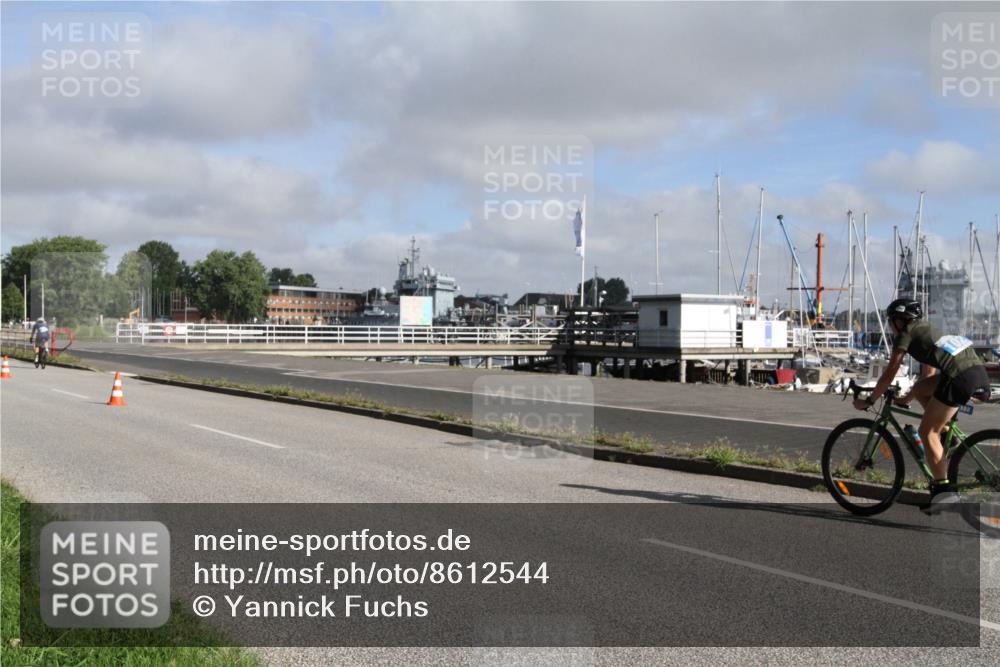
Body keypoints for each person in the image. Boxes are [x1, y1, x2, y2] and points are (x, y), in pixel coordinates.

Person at [854, 298, 991, 513]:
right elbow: (928, 376)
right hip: (976, 374)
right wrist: (906, 398)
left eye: (891, 321)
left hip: (959, 378)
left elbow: (890, 371)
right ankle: (946, 433)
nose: (891, 326)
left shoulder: (906, 333)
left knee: (927, 432)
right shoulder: (927, 331)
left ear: (899, 320)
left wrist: (870, 400)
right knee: (920, 390)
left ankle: (942, 493)